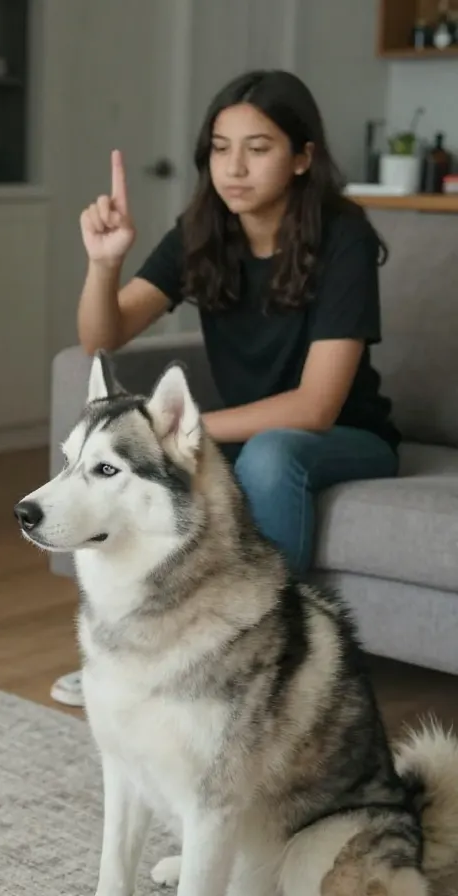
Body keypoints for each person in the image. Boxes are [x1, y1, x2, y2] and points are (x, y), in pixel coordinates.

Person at [51, 69, 401, 708]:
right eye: (220, 146)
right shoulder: (202, 232)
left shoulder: (343, 238)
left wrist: (185, 434)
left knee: (266, 453)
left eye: (259, 148)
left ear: (302, 158)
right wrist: (104, 264)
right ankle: (129, 662)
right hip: (251, 433)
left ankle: (265, 665)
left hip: (348, 437)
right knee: (146, 478)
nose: (234, 167)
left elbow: (316, 407)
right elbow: (103, 335)